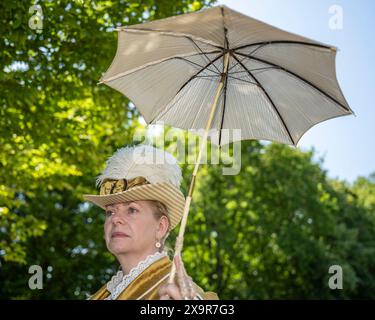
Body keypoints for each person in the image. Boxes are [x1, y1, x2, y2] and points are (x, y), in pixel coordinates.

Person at [83, 144, 219, 300]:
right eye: (110, 212)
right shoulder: (101, 295)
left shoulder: (181, 293)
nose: (115, 219)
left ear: (161, 227)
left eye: (132, 210)